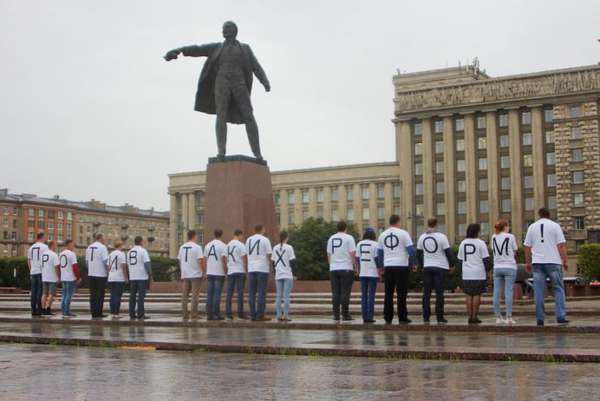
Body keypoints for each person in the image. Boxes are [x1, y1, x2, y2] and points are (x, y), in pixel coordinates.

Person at [524, 208, 569, 326]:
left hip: (537, 263)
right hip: (554, 262)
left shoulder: (531, 227)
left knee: (538, 291)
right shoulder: (555, 226)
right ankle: (560, 316)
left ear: (539, 215)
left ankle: (540, 318)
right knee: (558, 288)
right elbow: (561, 245)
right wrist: (565, 260)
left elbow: (527, 247)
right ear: (550, 215)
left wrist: (528, 262)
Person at [377, 214, 415, 324]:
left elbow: (380, 253)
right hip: (402, 266)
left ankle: (387, 317)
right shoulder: (404, 233)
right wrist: (413, 263)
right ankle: (402, 317)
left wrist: (380, 267)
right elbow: (410, 250)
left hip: (388, 266)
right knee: (401, 293)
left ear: (390, 222)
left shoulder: (382, 235)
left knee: (388, 292)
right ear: (398, 222)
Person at [416, 218, 454, 324]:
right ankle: (440, 317)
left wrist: (422, 265)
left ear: (427, 224)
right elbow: (448, 252)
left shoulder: (422, 237)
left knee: (426, 293)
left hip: (427, 267)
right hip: (440, 267)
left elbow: (418, 254)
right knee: (439, 293)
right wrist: (452, 265)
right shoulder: (442, 237)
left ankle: (426, 316)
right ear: (437, 224)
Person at [458, 223, 490, 324]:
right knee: (477, 295)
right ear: (477, 232)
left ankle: (469, 316)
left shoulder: (463, 243)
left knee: (468, 295)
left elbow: (460, 259)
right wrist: (488, 271)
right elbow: (486, 259)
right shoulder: (481, 243)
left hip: (467, 273)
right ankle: (475, 317)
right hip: (478, 273)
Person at [326, 221, 357, 321]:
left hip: (334, 269)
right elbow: (353, 254)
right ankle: (345, 314)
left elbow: (329, 255)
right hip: (346, 268)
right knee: (345, 292)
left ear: (337, 228)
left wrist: (331, 266)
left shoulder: (331, 238)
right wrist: (355, 267)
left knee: (335, 293)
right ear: (345, 228)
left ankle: (336, 314)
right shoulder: (349, 238)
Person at [491, 219, 518, 324]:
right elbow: (515, 251)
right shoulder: (510, 237)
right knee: (508, 292)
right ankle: (509, 317)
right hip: (509, 266)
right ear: (505, 227)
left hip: (497, 267)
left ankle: (498, 317)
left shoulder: (493, 237)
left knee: (496, 292)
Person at [246, 224, 272, 321]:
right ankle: (260, 315)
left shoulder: (248, 240)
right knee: (261, 292)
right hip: (262, 268)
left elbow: (246, 253)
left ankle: (253, 314)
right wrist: (270, 265)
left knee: (252, 292)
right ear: (262, 230)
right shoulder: (265, 240)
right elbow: (269, 254)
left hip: (251, 268)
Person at [178, 230, 204, 320]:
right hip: (195, 274)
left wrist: (182, 271)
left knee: (184, 296)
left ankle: (184, 315)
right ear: (194, 236)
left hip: (185, 274)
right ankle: (194, 315)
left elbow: (180, 260)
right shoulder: (197, 247)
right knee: (194, 296)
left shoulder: (182, 247)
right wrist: (203, 271)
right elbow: (201, 261)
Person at [356, 228, 380, 324]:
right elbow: (377, 259)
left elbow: (357, 259)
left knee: (364, 295)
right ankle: (370, 317)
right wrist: (380, 271)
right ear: (373, 235)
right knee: (371, 296)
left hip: (363, 273)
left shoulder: (359, 244)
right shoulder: (375, 244)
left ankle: (364, 316)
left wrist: (358, 270)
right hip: (373, 273)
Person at [272, 230, 296, 322]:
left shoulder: (275, 248)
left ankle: (278, 315)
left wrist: (275, 273)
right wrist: (295, 273)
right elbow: (292, 262)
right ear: (287, 237)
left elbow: (273, 262)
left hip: (278, 274)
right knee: (286, 296)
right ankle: (285, 315)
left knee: (278, 296)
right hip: (287, 274)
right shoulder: (289, 247)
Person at [224, 229, 248, 320]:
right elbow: (244, 259)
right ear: (239, 235)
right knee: (240, 293)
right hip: (240, 270)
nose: (242, 237)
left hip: (231, 270)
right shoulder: (241, 245)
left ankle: (228, 313)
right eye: (242, 236)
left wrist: (227, 268)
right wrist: (245, 270)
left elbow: (224, 257)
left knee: (229, 293)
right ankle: (240, 313)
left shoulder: (228, 245)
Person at [127, 236, 152, 320]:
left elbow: (127, 265)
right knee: (141, 296)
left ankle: (132, 314)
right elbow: (147, 264)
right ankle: (141, 314)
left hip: (132, 276)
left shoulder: (129, 252)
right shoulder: (143, 251)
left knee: (132, 296)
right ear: (141, 242)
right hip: (142, 276)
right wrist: (150, 274)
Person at [205, 229, 227, 320]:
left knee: (210, 293)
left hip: (210, 272)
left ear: (214, 234)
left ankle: (209, 313)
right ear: (221, 235)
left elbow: (205, 259)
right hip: (219, 272)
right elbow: (224, 260)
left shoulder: (207, 245)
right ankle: (216, 313)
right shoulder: (223, 246)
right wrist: (226, 271)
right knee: (217, 294)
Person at [86, 233, 109, 319]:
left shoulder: (89, 247)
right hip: (100, 274)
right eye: (103, 238)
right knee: (100, 294)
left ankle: (93, 312)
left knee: (92, 294)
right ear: (100, 238)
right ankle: (99, 312)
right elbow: (105, 261)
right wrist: (108, 272)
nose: (104, 239)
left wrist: (90, 270)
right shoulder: (102, 247)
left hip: (91, 274)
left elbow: (87, 262)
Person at [27, 232, 48, 317]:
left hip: (33, 272)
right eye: (45, 237)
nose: (46, 239)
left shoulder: (31, 248)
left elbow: (29, 260)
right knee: (40, 291)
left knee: (33, 292)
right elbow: (46, 259)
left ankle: (33, 310)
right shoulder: (45, 247)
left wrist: (31, 270)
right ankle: (39, 309)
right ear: (42, 237)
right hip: (41, 271)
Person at [59, 239, 81, 318]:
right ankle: (66, 312)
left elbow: (59, 266)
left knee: (64, 295)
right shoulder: (72, 254)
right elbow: (75, 267)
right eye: (72, 244)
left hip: (63, 277)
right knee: (68, 295)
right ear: (68, 245)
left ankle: (63, 310)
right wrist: (78, 277)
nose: (73, 246)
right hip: (70, 277)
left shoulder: (61, 254)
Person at [108, 241, 128, 319]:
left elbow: (108, 267)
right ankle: (116, 313)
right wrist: (126, 278)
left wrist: (109, 275)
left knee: (112, 295)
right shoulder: (122, 254)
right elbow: (123, 267)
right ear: (120, 246)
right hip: (119, 277)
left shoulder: (110, 254)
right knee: (117, 296)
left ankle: (112, 312)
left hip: (111, 277)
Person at [41, 241, 60, 316]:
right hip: (52, 277)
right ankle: (47, 309)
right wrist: (58, 277)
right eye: (56, 246)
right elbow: (56, 267)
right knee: (51, 294)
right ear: (52, 245)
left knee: (44, 294)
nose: (56, 247)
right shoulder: (54, 255)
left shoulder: (43, 254)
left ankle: (42, 309)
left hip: (44, 276)